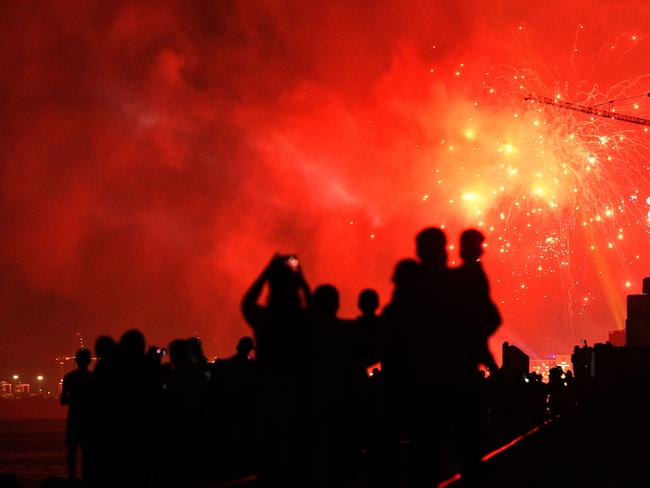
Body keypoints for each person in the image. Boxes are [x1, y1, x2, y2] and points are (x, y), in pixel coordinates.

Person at [241, 255, 311, 488]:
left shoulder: (265, 319)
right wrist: (301, 280)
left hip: (270, 397)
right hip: (300, 398)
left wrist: (266, 272)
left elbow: (247, 302)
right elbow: (316, 313)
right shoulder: (301, 320)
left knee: (271, 465)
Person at [61, 348, 93, 481]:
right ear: (89, 361)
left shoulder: (69, 378)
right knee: (88, 453)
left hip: (73, 419)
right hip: (89, 421)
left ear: (76, 361)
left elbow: (63, 401)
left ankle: (71, 477)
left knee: (72, 452)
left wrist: (74, 400)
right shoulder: (93, 378)